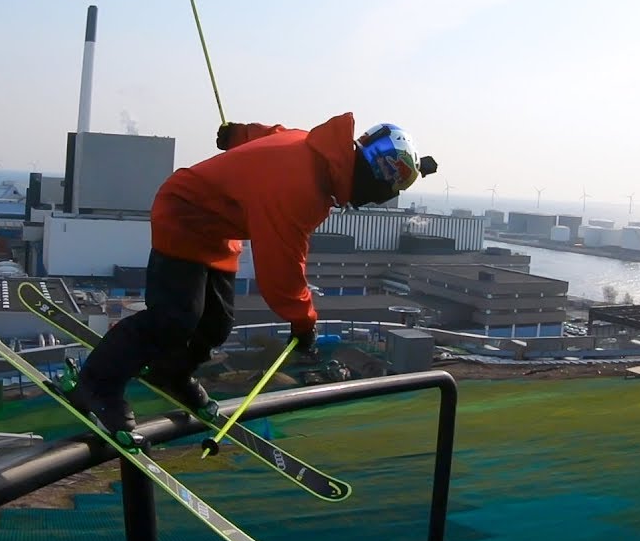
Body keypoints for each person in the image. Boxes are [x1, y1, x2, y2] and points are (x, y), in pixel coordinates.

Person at [67, 112, 437, 433]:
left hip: (218, 225)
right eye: (383, 191)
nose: (375, 200)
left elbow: (271, 135)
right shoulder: (303, 189)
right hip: (185, 213)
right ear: (373, 178)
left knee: (216, 325)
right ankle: (97, 383)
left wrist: (237, 135)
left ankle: (170, 372)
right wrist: (303, 321)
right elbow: (281, 268)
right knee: (175, 318)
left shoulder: (317, 149)